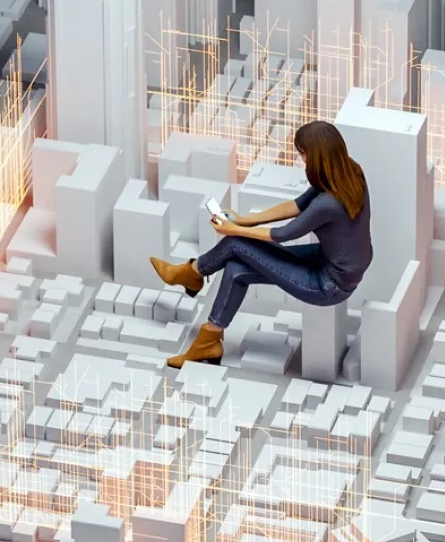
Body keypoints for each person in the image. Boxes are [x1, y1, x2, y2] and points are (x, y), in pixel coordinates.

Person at [152, 120, 374, 368]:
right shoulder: (350, 173)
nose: (302, 161)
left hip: (329, 284)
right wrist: (245, 220)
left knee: (235, 243)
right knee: (236, 269)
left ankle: (191, 274)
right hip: (331, 261)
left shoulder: (328, 204)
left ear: (316, 157)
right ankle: (209, 341)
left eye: (303, 155)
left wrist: (235, 230)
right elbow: (296, 206)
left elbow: (285, 233)